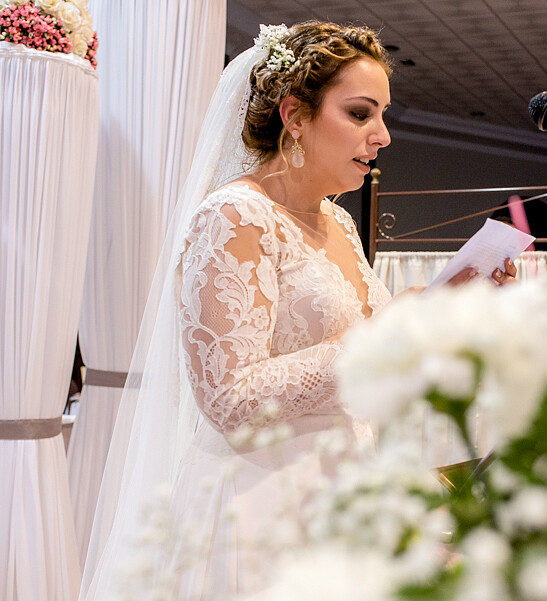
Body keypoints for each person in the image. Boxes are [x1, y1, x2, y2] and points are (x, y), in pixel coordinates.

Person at [79, 21, 516, 600]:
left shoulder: (338, 222)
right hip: (263, 510)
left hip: (346, 497)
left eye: (383, 115)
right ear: (295, 116)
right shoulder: (234, 217)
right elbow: (230, 400)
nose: (382, 135)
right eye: (361, 114)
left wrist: (448, 312)